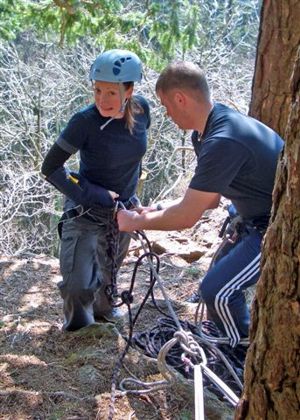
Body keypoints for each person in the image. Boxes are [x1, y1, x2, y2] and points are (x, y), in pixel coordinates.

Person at [117, 61, 284, 348]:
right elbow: (208, 199)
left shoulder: (223, 139)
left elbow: (187, 216)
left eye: (166, 105)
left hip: (277, 226)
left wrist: (135, 222)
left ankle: (241, 353)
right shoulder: (204, 133)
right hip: (252, 218)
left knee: (217, 291)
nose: (167, 114)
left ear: (180, 98)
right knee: (215, 282)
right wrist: (155, 210)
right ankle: (230, 337)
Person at [42, 49, 150, 331]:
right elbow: (51, 167)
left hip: (121, 214)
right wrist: (91, 193)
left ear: (129, 90)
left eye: (111, 92)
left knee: (107, 285)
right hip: (86, 211)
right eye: (97, 90)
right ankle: (77, 333)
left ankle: (104, 313)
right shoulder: (84, 122)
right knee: (79, 289)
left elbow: (133, 158)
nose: (102, 99)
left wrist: (132, 197)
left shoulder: (142, 111)